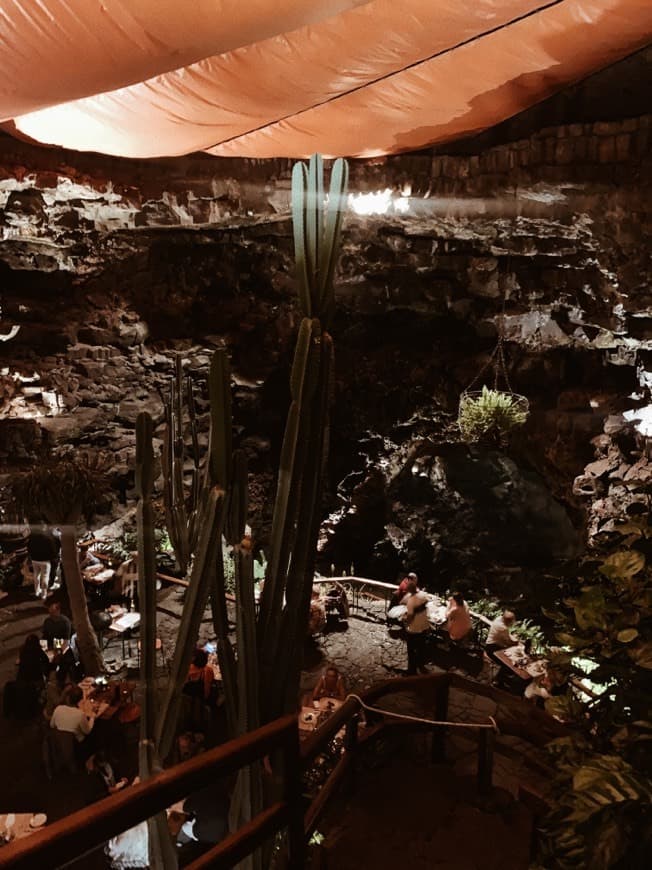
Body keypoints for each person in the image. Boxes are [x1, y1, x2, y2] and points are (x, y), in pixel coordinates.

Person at [403, 579, 430, 675]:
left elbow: (410, 616)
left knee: (411, 650)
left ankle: (412, 670)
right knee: (421, 647)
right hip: (424, 626)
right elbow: (426, 602)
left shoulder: (411, 601)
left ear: (410, 591)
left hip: (414, 629)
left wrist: (405, 621)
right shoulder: (423, 594)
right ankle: (421, 665)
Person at [485, 610, 518, 687]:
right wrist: (516, 642)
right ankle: (497, 681)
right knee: (507, 664)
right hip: (492, 648)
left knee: (509, 660)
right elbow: (508, 642)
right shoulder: (503, 628)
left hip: (491, 644)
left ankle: (505, 676)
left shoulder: (499, 619)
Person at [27, 524, 60, 599]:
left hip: (34, 559)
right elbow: (53, 551)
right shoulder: (48, 538)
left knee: (36, 575)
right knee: (45, 576)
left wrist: (31, 556)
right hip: (45, 560)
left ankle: (37, 591)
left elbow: (28, 547)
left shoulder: (32, 536)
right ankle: (44, 594)